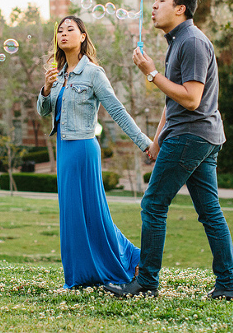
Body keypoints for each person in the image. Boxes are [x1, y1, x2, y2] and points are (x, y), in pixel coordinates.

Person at [104, 0, 233, 300]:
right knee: (210, 212)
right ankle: (227, 285)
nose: (153, 5)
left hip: (190, 136)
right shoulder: (178, 41)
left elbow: (191, 99)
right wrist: (157, 139)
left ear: (180, 9)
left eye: (161, 0)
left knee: (153, 204)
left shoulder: (191, 42)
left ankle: (147, 282)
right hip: (198, 136)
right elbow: (172, 101)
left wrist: (151, 73)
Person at [37, 15, 152, 289]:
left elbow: (117, 111)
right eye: (60, 31)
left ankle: (131, 259)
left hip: (84, 149)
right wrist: (46, 87)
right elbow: (43, 110)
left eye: (70, 29)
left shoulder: (93, 73)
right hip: (64, 149)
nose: (63, 34)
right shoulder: (58, 73)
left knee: (93, 213)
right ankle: (80, 276)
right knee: (72, 215)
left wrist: (145, 143)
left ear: (83, 36)